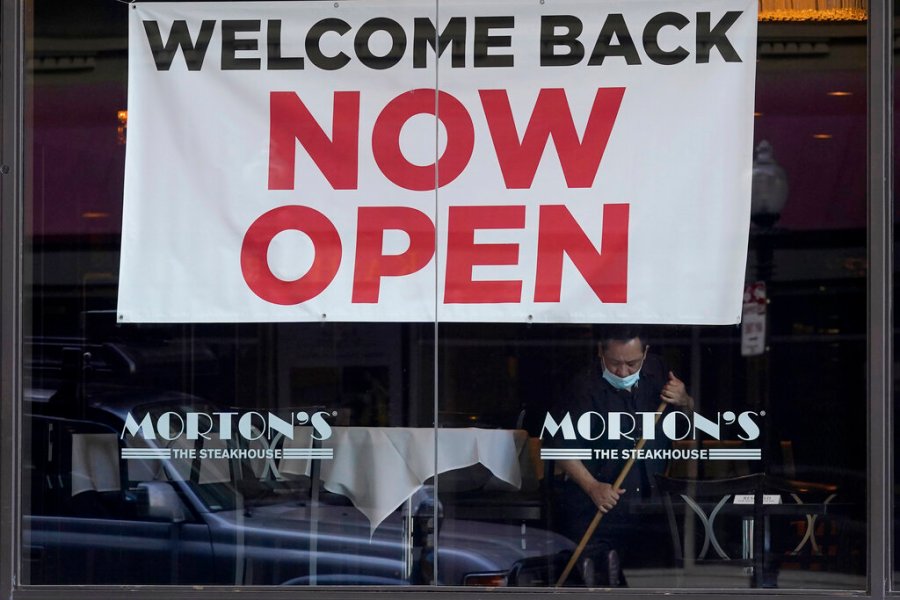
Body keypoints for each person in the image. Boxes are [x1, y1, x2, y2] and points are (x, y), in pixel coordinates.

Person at [553, 325, 693, 586]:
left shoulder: (659, 371)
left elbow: (688, 422)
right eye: (615, 363)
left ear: (646, 352)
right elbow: (560, 449)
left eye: (632, 363)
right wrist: (593, 487)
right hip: (599, 508)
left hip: (650, 507)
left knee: (649, 586)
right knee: (600, 584)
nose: (623, 371)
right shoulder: (582, 387)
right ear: (600, 352)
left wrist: (684, 400)